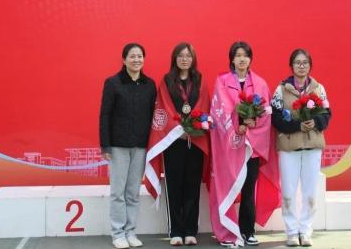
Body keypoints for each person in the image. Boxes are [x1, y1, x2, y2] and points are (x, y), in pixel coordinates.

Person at [208, 41, 280, 247]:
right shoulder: (222, 82)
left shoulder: (260, 84)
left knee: (249, 189)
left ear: (250, 59)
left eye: (245, 55)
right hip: (230, 147)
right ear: (232, 59)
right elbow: (219, 112)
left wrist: (252, 124)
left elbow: (266, 114)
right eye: (238, 55)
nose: (241, 59)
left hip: (252, 148)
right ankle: (227, 232)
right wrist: (237, 127)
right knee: (227, 187)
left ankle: (248, 231)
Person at [144, 43, 211, 246]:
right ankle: (175, 231)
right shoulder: (167, 81)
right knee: (174, 186)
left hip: (194, 140)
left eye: (188, 56)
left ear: (193, 59)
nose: (184, 59)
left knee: (192, 185)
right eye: (180, 56)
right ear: (175, 58)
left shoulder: (200, 80)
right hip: (173, 142)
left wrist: (192, 127)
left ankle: (190, 231)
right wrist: (179, 130)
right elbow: (164, 106)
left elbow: (203, 104)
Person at [271, 49, 332, 247]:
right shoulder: (281, 90)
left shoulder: (319, 89)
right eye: (297, 62)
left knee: (310, 193)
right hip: (289, 148)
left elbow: (327, 114)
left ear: (310, 65)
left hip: (313, 147)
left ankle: (305, 231)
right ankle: (291, 232)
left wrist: (315, 123)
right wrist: (297, 126)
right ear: (291, 66)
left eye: (305, 62)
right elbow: (275, 118)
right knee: (288, 193)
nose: (301, 66)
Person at [100, 43, 157, 249]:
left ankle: (131, 232)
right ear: (124, 60)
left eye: (140, 56)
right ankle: (117, 234)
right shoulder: (113, 83)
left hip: (141, 146)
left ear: (144, 59)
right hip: (118, 146)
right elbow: (105, 115)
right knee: (118, 192)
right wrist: (105, 146)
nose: (136, 60)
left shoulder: (149, 85)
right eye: (132, 56)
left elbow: (154, 115)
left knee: (133, 192)